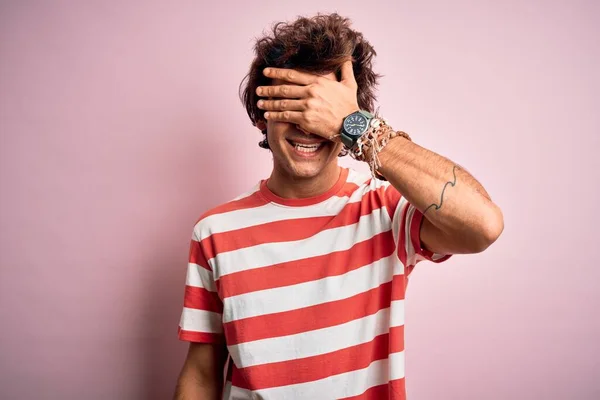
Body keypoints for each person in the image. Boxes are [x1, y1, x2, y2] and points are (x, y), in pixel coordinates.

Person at [173, 13, 503, 400]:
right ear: (263, 116)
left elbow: (483, 225)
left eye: (324, 110)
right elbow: (201, 373)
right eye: (293, 104)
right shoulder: (215, 232)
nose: (308, 125)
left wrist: (359, 125)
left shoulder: (385, 211)